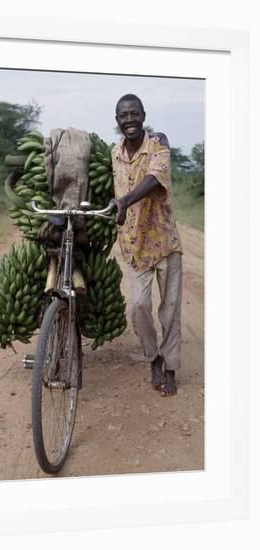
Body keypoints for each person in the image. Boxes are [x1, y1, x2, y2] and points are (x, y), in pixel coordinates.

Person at [111, 94, 183, 396]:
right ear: (117, 121)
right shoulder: (114, 154)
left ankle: (170, 367)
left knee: (169, 310)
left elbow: (155, 178)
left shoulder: (159, 145)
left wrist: (126, 200)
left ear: (143, 115)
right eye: (123, 115)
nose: (129, 120)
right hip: (134, 244)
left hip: (165, 242)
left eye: (134, 114)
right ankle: (152, 356)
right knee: (140, 306)